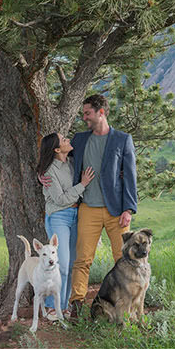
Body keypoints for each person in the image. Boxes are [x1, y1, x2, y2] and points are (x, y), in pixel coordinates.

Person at [65, 92, 138, 310]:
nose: (84, 117)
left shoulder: (122, 139)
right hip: (88, 208)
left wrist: (128, 209)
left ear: (101, 112)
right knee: (82, 259)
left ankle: (126, 305)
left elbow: (130, 175)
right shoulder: (79, 139)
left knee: (124, 260)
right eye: (83, 113)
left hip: (117, 211)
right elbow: (61, 161)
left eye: (87, 113)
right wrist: (45, 173)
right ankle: (77, 304)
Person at [34, 132, 95, 317]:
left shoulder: (72, 162)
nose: (67, 140)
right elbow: (60, 199)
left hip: (77, 214)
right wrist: (83, 184)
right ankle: (52, 307)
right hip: (59, 216)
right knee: (60, 263)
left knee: (71, 265)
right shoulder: (48, 171)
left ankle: (64, 306)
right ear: (56, 149)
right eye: (63, 140)